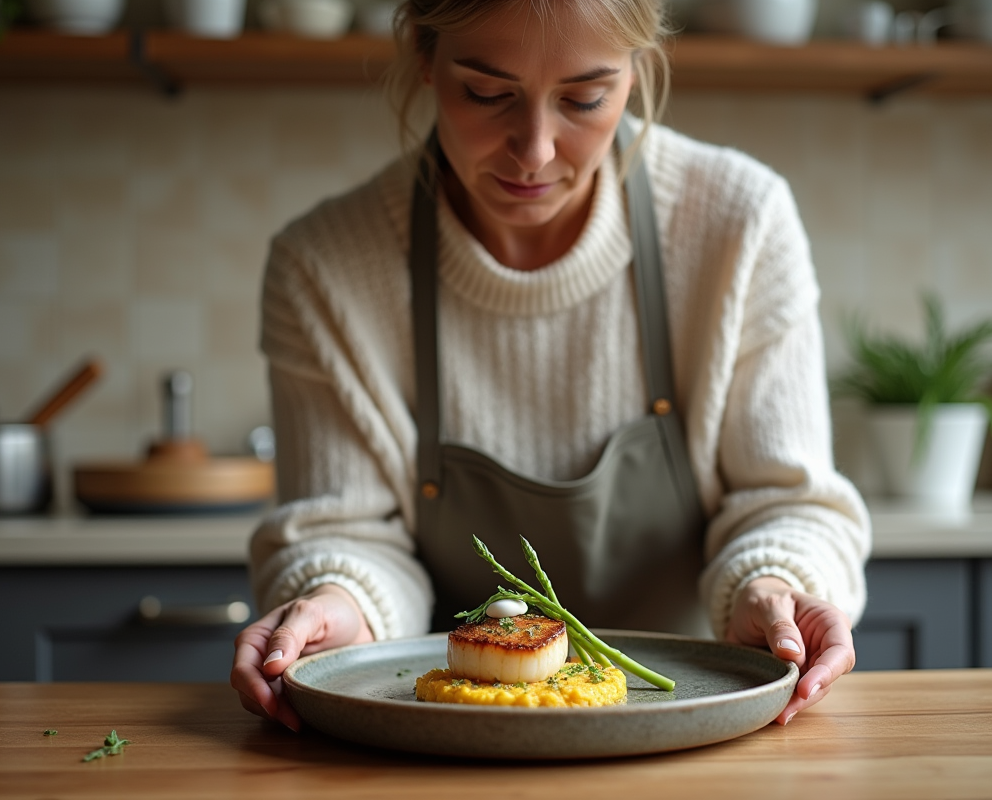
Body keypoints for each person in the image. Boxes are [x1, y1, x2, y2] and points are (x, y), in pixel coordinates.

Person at [232, 0, 871, 732]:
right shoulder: (324, 268)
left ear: (636, 71)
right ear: (423, 57)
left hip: (699, 735)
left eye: (585, 97)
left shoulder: (739, 223)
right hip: (441, 750)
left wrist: (777, 586)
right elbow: (344, 534)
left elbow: (786, 501)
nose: (533, 150)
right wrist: (333, 605)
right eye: (486, 92)